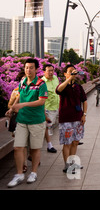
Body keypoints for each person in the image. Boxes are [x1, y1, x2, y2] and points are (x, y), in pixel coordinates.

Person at [6, 58, 48, 188]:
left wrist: (23, 105)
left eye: (31, 68)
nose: (28, 70)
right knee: (18, 147)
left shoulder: (41, 84)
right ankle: (19, 174)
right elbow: (19, 95)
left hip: (36, 121)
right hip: (22, 120)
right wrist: (12, 108)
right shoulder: (23, 81)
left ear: (36, 69)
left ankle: (33, 172)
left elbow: (41, 101)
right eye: (26, 67)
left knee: (35, 149)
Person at [56, 64, 87, 173]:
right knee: (67, 142)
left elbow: (84, 100)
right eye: (70, 71)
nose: (73, 73)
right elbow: (58, 90)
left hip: (78, 118)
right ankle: (67, 165)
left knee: (75, 141)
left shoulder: (78, 86)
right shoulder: (63, 86)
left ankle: (73, 162)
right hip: (66, 119)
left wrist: (84, 114)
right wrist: (69, 78)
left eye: (74, 71)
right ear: (65, 74)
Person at [41, 64, 60, 153]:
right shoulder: (41, 82)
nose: (51, 72)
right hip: (48, 108)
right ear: (44, 71)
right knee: (48, 127)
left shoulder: (56, 78)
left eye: (52, 70)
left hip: (57, 106)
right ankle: (49, 145)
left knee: (54, 126)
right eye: (49, 70)